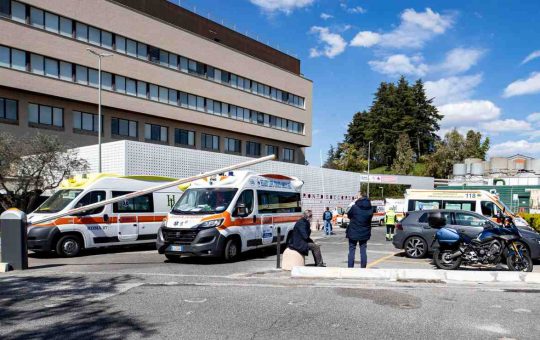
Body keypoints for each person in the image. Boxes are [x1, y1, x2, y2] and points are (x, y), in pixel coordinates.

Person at [346, 192, 373, 268]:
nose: (356, 198)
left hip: (353, 231)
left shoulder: (355, 207)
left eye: (357, 196)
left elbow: (348, 215)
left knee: (352, 250)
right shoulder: (370, 208)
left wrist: (352, 203)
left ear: (360, 197)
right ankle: (363, 267)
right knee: (363, 250)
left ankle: (350, 267)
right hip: (365, 232)